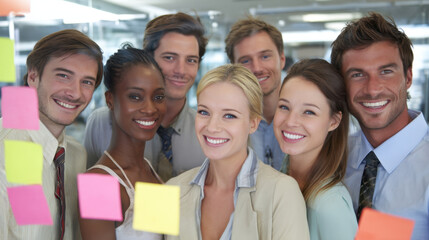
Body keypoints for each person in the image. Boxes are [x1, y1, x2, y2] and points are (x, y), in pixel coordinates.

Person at [166, 64, 309, 240]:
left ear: (253, 123)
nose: (212, 127)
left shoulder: (282, 192)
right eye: (204, 112)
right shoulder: (172, 189)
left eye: (229, 116)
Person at [331, 12, 429, 239]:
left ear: (408, 78)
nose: (373, 89)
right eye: (357, 75)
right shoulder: (333, 157)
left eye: (385, 71)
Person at [0, 29, 103, 240]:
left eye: (87, 82)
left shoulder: (75, 154)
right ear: (33, 77)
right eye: (63, 75)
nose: (75, 93)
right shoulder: (3, 151)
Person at [84, 12, 208, 181]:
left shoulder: (207, 130)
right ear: (148, 59)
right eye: (169, 57)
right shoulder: (102, 122)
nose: (181, 71)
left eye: (191, 60)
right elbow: (89, 190)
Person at [79, 45, 165, 240]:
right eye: (135, 97)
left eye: (158, 97)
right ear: (110, 100)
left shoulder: (149, 171)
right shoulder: (98, 184)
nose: (150, 108)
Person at [273, 59, 357, 240]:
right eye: (284, 107)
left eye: (309, 112)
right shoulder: (284, 177)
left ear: (333, 121)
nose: (290, 121)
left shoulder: (329, 206)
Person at [224, 17, 286, 171]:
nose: (257, 68)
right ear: (234, 68)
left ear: (282, 60)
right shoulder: (225, 125)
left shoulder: (307, 119)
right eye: (245, 61)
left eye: (265, 56)